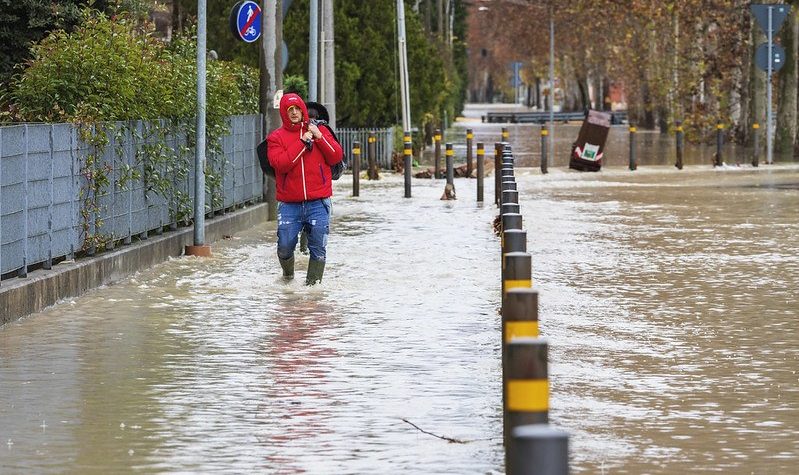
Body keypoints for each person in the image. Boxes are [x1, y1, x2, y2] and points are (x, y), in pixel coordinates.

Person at [267, 93, 343, 285]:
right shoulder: (276, 138)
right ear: (284, 113)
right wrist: (302, 142)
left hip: (319, 202)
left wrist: (318, 137)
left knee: (318, 248)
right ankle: (288, 278)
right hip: (289, 204)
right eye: (289, 110)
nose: (293, 113)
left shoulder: (320, 131)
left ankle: (312, 291)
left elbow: (336, 156)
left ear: (303, 110)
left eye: (297, 109)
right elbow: (281, 164)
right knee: (284, 246)